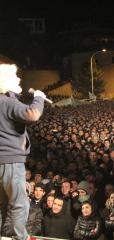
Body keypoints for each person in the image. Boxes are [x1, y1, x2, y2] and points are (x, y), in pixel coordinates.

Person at [0, 54, 46, 240]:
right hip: (10, 162)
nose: (19, 78)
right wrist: (39, 97)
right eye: (15, 76)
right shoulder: (7, 102)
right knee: (20, 203)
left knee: (3, 204)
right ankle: (21, 237)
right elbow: (33, 114)